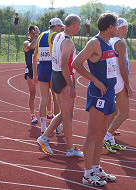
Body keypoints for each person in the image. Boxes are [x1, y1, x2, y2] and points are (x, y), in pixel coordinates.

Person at [72, 13, 118, 186]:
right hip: (98, 93)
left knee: (101, 135)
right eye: (116, 25)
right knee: (92, 134)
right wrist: (95, 80)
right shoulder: (95, 43)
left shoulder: (108, 43)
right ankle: (87, 173)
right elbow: (76, 63)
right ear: (110, 27)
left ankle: (96, 168)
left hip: (109, 93)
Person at [36, 14, 83, 158]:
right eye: (79, 25)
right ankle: (69, 149)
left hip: (55, 75)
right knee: (68, 115)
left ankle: (44, 137)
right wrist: (71, 85)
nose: (80, 28)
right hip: (64, 77)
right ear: (74, 25)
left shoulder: (57, 36)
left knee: (64, 113)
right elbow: (64, 64)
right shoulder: (68, 41)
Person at [103, 18, 134, 153]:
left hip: (110, 79)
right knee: (125, 112)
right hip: (119, 81)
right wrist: (128, 85)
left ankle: (111, 140)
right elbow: (123, 67)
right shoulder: (120, 44)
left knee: (113, 111)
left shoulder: (109, 41)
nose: (127, 30)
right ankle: (106, 136)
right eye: (126, 27)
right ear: (121, 28)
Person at [32, 18, 64, 136]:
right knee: (56, 98)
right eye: (60, 27)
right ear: (55, 27)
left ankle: (43, 128)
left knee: (44, 98)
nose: (61, 29)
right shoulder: (56, 36)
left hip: (42, 68)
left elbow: (34, 56)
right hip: (52, 68)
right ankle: (57, 127)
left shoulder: (41, 35)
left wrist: (35, 74)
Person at [23, 25, 40, 123]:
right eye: (35, 30)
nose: (37, 31)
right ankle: (32, 115)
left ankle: (49, 112)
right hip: (30, 70)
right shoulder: (26, 42)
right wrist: (36, 37)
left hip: (40, 69)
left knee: (46, 93)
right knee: (32, 93)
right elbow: (31, 47)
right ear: (30, 33)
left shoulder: (39, 40)